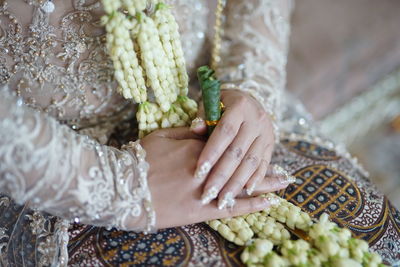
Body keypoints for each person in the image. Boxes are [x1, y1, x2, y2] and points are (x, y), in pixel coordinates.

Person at [0, 0, 398, 266]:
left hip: (204, 98)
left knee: (376, 239)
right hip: (46, 158)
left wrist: (251, 86)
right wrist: (116, 187)